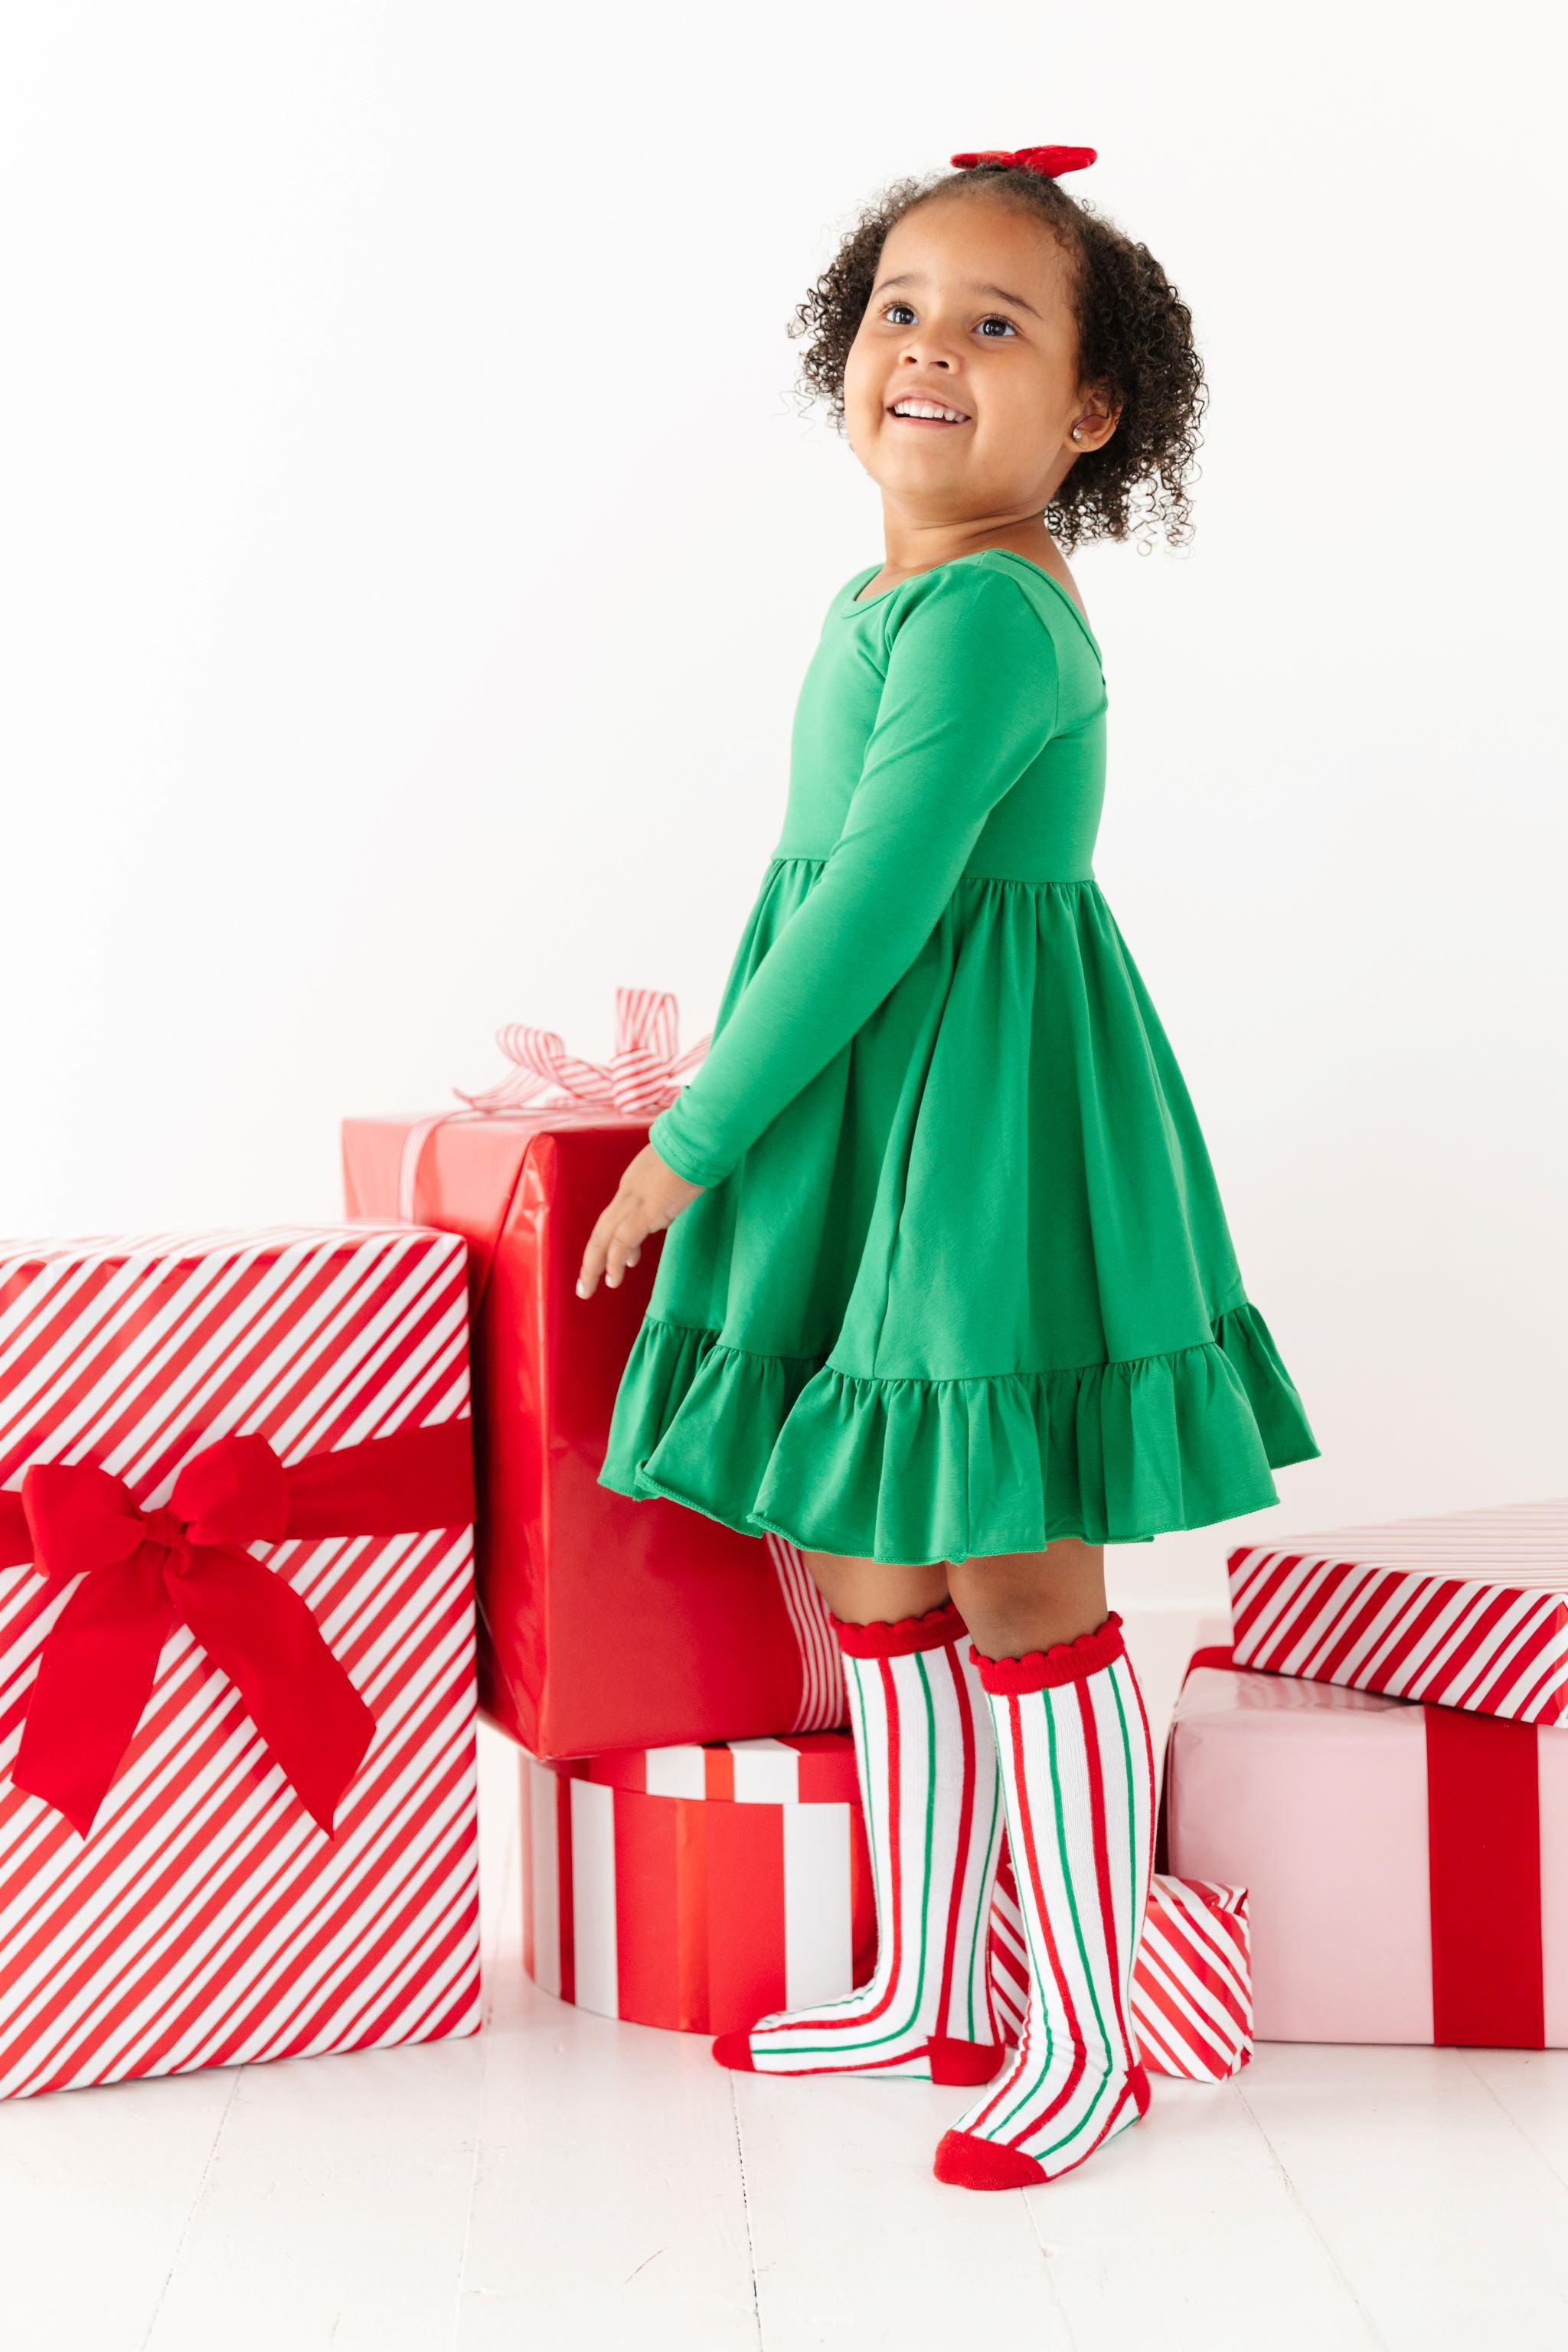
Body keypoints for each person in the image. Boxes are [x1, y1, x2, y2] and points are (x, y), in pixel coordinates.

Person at [577, 145, 1319, 2190]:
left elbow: (886, 896)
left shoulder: (994, 608)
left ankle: (1077, 2025)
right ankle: (931, 1975)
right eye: (902, 306)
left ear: (1092, 410)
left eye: (1000, 323)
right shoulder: (885, 587)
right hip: (873, 1109)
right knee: (876, 1549)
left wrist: (696, 1135)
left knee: (1012, 1561)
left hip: (980, 1119)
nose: (931, 348)